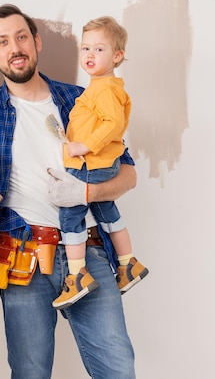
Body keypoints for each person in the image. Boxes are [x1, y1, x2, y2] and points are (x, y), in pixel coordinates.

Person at [0, 4, 137, 378]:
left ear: (37, 42)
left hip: (88, 255)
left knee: (119, 369)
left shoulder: (82, 99)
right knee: (30, 373)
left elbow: (128, 176)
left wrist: (85, 195)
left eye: (22, 36)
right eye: (3, 42)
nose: (16, 47)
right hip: (22, 262)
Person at [52, 16, 149, 310]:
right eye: (85, 49)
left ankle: (77, 275)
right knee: (106, 210)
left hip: (90, 165)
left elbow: (113, 123)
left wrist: (85, 145)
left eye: (99, 49)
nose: (90, 55)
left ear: (117, 56)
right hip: (97, 163)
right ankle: (128, 263)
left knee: (71, 215)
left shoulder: (105, 89)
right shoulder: (97, 87)